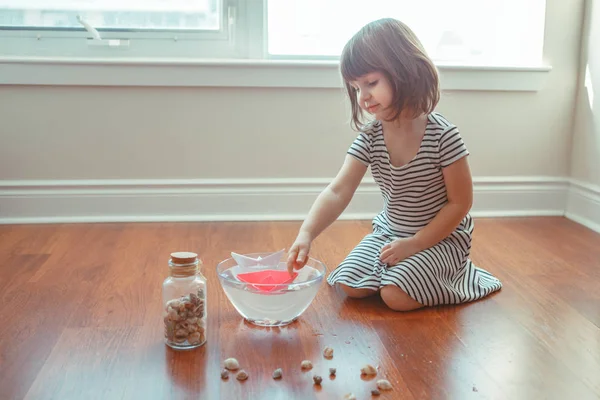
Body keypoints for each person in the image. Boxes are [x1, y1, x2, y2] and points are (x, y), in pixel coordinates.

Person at [286, 18, 502, 311]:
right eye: (355, 88)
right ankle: (402, 273)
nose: (363, 97)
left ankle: (456, 276)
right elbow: (339, 190)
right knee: (350, 284)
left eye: (370, 83)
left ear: (403, 71)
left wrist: (415, 244)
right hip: (390, 232)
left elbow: (460, 203)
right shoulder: (371, 136)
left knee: (395, 297)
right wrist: (306, 233)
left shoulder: (443, 135)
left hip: (441, 238)